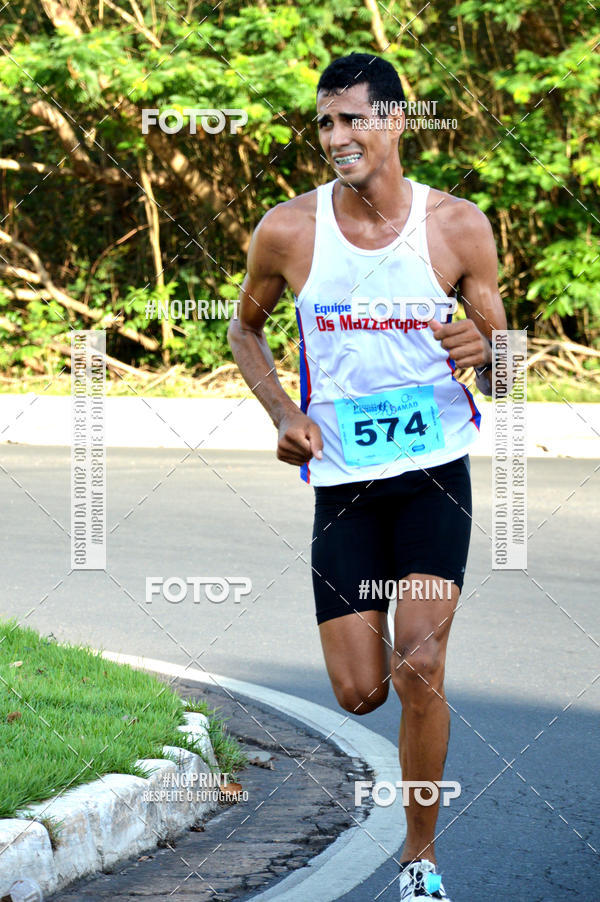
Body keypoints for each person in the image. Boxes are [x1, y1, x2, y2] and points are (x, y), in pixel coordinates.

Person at [228, 52, 506, 901]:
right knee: (359, 693)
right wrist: (283, 411)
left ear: (394, 120)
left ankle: (419, 859)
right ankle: (382, 729)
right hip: (343, 483)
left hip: (433, 474)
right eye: (324, 122)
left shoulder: (459, 227)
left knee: (421, 665)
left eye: (352, 118)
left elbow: (504, 362)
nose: (336, 136)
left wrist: (488, 350)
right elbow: (245, 331)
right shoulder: (288, 231)